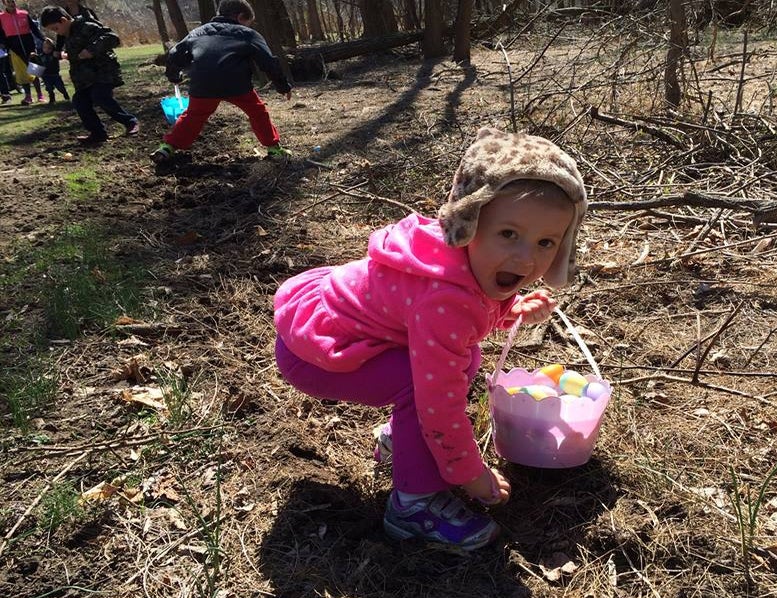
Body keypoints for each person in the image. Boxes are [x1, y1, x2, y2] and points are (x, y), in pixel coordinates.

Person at [273, 127, 588, 550]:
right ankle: (414, 503)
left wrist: (511, 310)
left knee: (464, 359)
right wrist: (469, 474)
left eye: (546, 242)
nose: (526, 257)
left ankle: (400, 443)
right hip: (315, 350)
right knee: (421, 391)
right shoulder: (446, 298)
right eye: (509, 234)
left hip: (344, 325)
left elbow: (462, 315)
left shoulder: (462, 261)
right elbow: (438, 405)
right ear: (469, 221)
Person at [150, 0, 292, 163]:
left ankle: (167, 148)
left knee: (193, 115)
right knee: (257, 112)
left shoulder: (197, 32)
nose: (248, 27)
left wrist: (174, 76)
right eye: (248, 23)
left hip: (202, 84)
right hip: (236, 83)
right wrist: (282, 86)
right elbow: (268, 61)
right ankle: (274, 148)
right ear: (240, 17)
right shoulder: (246, 33)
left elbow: (174, 54)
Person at [39, 5, 138, 145]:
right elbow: (75, 54)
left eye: (55, 29)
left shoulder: (86, 25)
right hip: (85, 77)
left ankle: (130, 122)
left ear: (63, 20)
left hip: (103, 71)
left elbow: (112, 37)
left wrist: (91, 50)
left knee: (100, 96)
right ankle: (98, 133)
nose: (57, 33)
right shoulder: (66, 34)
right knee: (79, 101)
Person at [0, 0, 44, 104]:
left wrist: (43, 38)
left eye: (13, 1)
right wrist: (3, 45)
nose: (12, 4)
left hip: (29, 47)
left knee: (35, 71)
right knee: (22, 73)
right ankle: (28, 96)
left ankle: (40, 95)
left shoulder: (24, 14)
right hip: (14, 49)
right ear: (4, 3)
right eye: (9, 2)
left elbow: (34, 29)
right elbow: (1, 34)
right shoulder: (1, 17)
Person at [30, 37, 68, 103]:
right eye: (44, 48)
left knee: (60, 87)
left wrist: (60, 54)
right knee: (49, 88)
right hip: (46, 75)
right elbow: (37, 62)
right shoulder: (41, 56)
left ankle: (65, 94)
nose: (46, 49)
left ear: (52, 48)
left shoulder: (54, 55)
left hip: (55, 75)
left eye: (49, 48)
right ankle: (52, 97)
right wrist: (33, 56)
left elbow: (60, 55)